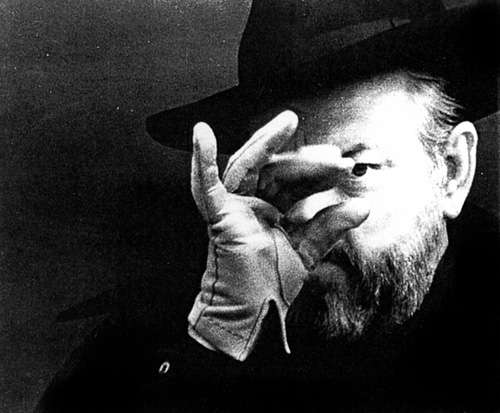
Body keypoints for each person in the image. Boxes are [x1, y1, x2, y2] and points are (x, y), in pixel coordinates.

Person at [37, 69, 499, 412]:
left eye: (358, 170)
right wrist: (215, 343)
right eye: (280, 177)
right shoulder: (166, 326)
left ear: (452, 171)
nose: (304, 211)